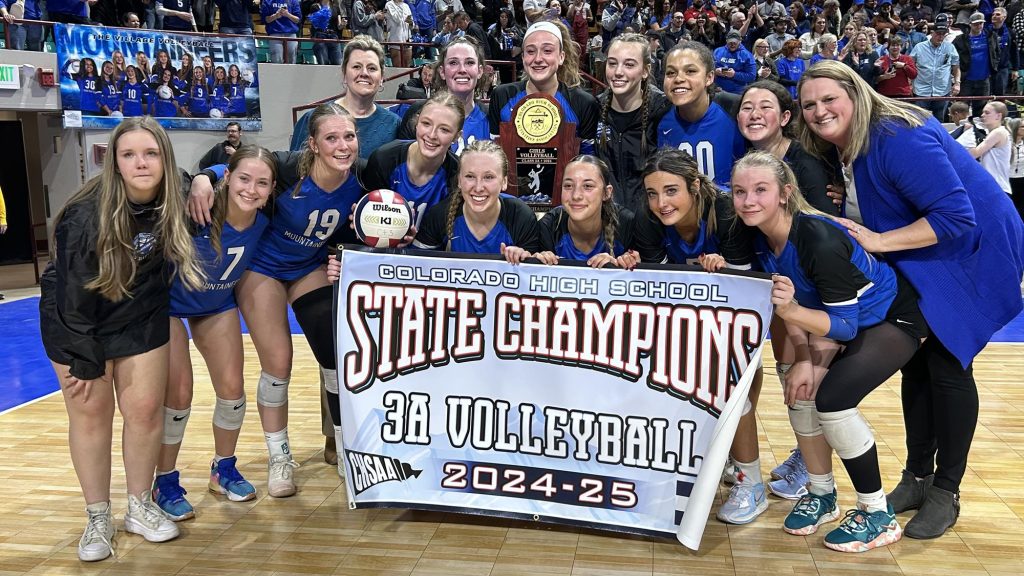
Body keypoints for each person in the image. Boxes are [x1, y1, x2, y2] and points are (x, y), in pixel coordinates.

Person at [797, 60, 1024, 540]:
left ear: (855, 94)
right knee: (915, 366)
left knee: (947, 362)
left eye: (828, 99)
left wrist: (878, 241)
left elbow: (957, 217)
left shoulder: (895, 134)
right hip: (928, 250)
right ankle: (918, 477)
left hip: (971, 250)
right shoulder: (851, 143)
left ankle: (947, 489)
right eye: (809, 104)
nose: (819, 110)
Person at [732, 150, 929, 552]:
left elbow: (842, 324)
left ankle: (877, 513)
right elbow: (799, 304)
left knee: (833, 401)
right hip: (836, 321)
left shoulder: (817, 237)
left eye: (760, 190)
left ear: (785, 193)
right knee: (801, 393)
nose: (748, 200)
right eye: (739, 191)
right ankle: (822, 496)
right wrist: (804, 359)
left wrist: (793, 316)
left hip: (891, 318)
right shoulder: (757, 234)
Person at [39, 117, 204, 562]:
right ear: (114, 162)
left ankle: (139, 506)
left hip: (140, 310)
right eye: (128, 154)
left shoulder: (174, 193)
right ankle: (97, 516)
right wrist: (84, 358)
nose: (141, 162)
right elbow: (72, 296)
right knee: (92, 413)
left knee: (146, 411)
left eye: (150, 153)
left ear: (165, 160)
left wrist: (205, 177)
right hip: (77, 317)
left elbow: (193, 176)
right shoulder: (85, 214)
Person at [188, 103, 368, 496]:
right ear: (314, 144)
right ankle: (279, 456)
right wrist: (206, 176)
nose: (342, 146)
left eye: (349, 136)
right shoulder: (287, 167)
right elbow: (243, 165)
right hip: (264, 268)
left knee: (335, 350)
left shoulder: (363, 175)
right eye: (332, 138)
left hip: (309, 267)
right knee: (278, 361)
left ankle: (344, 444)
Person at [632, 147, 764, 526]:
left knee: (738, 397)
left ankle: (750, 483)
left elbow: (744, 290)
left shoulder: (725, 213)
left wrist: (719, 275)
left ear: (694, 186)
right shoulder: (648, 217)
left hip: (743, 311)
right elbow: (661, 288)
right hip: (686, 313)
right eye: (653, 193)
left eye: (671, 191)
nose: (661, 203)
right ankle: (724, 459)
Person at [153, 146, 276, 521]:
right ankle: (165, 481)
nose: (252, 190)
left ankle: (223, 469)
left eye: (262, 183)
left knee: (232, 390)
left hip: (217, 303)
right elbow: (177, 178)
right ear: (227, 179)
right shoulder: (198, 207)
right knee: (179, 395)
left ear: (272, 189)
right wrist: (207, 173)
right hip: (169, 307)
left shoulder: (268, 214)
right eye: (243, 178)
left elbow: (286, 158)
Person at [411, 140, 541, 260]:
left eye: (488, 177)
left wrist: (521, 260)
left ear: (504, 182)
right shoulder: (439, 215)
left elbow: (531, 278)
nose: (478, 188)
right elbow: (420, 269)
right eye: (470, 176)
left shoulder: (520, 217)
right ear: (460, 181)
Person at [489, 21, 599, 155]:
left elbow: (587, 163)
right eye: (530, 51)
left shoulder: (583, 103)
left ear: (561, 57)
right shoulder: (502, 96)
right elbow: (494, 156)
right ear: (523, 57)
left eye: (547, 51)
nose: (538, 58)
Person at [365, 91, 464, 232]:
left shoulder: (458, 175)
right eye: (426, 123)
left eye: (444, 129)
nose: (432, 135)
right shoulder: (384, 159)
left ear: (456, 136)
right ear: (416, 123)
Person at [291, 35, 401, 159]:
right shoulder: (312, 119)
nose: (364, 73)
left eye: (372, 68)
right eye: (356, 67)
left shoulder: (394, 124)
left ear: (381, 78)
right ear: (344, 74)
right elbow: (295, 172)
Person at [596, 32, 671, 214]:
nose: (618, 72)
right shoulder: (595, 108)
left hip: (651, 220)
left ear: (645, 71)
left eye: (629, 64)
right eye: (612, 63)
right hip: (608, 219)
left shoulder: (663, 109)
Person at [657, 40, 746, 190]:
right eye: (671, 73)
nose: (678, 79)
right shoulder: (657, 120)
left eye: (690, 71)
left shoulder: (735, 112)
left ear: (709, 77)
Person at [532, 155, 636, 268]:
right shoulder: (549, 227)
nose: (576, 195)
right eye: (568, 185)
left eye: (587, 186)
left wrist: (620, 266)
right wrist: (536, 263)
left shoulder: (626, 224)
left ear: (606, 193)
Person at [397, 36, 490, 155]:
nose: (462, 69)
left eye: (469, 62)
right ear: (442, 72)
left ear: (480, 71)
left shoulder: (490, 118)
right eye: (453, 63)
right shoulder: (418, 112)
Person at [911, 13, 961, 121]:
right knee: (919, 122)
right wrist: (909, 83)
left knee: (940, 122)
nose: (941, 36)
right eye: (938, 33)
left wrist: (957, 83)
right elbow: (910, 65)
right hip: (921, 92)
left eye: (943, 34)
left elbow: (956, 67)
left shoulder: (950, 47)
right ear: (932, 32)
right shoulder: (919, 47)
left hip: (942, 91)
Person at [953, 11, 999, 116]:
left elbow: (997, 52)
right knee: (961, 109)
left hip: (984, 79)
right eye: (975, 23)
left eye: (981, 23)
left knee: (981, 110)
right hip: (966, 80)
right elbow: (953, 57)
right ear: (970, 24)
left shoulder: (991, 36)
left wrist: (994, 65)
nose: (978, 26)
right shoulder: (960, 39)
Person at [969, 100, 1012, 194]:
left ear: (998, 116)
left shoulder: (999, 132)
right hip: (993, 186)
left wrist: (968, 132)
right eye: (983, 112)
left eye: (987, 113)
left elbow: (974, 154)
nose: (982, 115)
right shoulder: (994, 132)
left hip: (997, 187)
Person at [310, 0, 345, 65]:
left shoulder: (336, 7)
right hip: (320, 36)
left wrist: (342, 24)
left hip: (333, 37)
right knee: (324, 63)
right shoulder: (315, 7)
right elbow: (314, 24)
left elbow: (339, 26)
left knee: (337, 63)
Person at [385, 0, 415, 68]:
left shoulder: (406, 6)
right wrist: (399, 4)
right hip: (395, 39)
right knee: (398, 68)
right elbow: (397, 19)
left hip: (407, 40)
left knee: (407, 68)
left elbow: (412, 25)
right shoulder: (389, 4)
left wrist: (411, 23)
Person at [1009, 117, 1024, 222]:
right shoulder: (1006, 144)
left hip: (1022, 179)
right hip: (1009, 179)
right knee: (1011, 207)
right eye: (1022, 127)